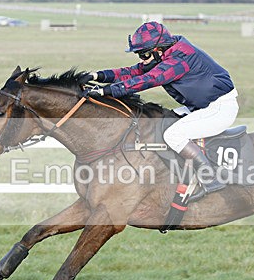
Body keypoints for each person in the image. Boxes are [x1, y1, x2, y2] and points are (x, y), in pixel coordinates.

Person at [84, 21, 239, 194]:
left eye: (143, 55)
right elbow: (133, 71)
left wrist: (106, 91)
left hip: (218, 108)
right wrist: (97, 75)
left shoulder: (178, 60)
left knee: (173, 135)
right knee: (159, 123)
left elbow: (148, 80)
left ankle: (209, 178)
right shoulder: (167, 53)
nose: (141, 59)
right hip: (201, 106)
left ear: (157, 50)